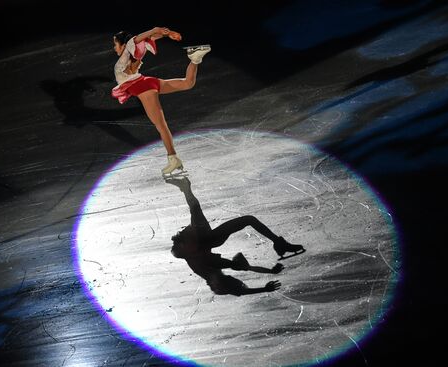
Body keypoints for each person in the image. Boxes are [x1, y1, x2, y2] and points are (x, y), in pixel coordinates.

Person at [166, 177, 305, 296]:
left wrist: (264, 286)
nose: (213, 284)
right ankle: (279, 244)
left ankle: (279, 244)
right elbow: (247, 271)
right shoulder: (219, 269)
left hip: (199, 240)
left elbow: (239, 285)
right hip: (206, 239)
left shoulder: (205, 270)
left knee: (197, 209)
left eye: (213, 285)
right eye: (218, 284)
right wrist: (267, 280)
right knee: (247, 219)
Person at [111, 27, 211, 175]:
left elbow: (141, 37)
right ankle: (195, 58)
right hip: (147, 81)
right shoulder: (133, 50)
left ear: (123, 45)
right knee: (187, 83)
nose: (114, 48)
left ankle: (173, 158)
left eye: (115, 44)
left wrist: (156, 29)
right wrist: (169, 33)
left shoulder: (128, 49)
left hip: (142, 87)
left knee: (161, 125)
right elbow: (150, 38)